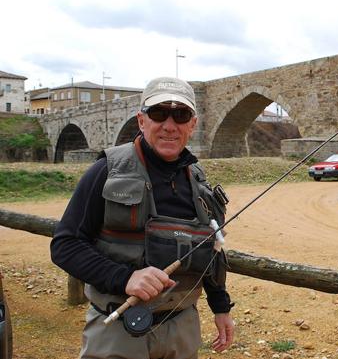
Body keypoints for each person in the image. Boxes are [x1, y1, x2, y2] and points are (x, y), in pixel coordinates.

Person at [50, 77, 235, 359]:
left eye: (181, 115)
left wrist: (220, 307)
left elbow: (210, 251)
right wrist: (124, 278)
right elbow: (66, 244)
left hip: (182, 329)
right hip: (117, 330)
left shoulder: (200, 182)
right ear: (141, 120)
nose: (170, 125)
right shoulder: (105, 171)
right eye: (159, 113)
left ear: (193, 124)